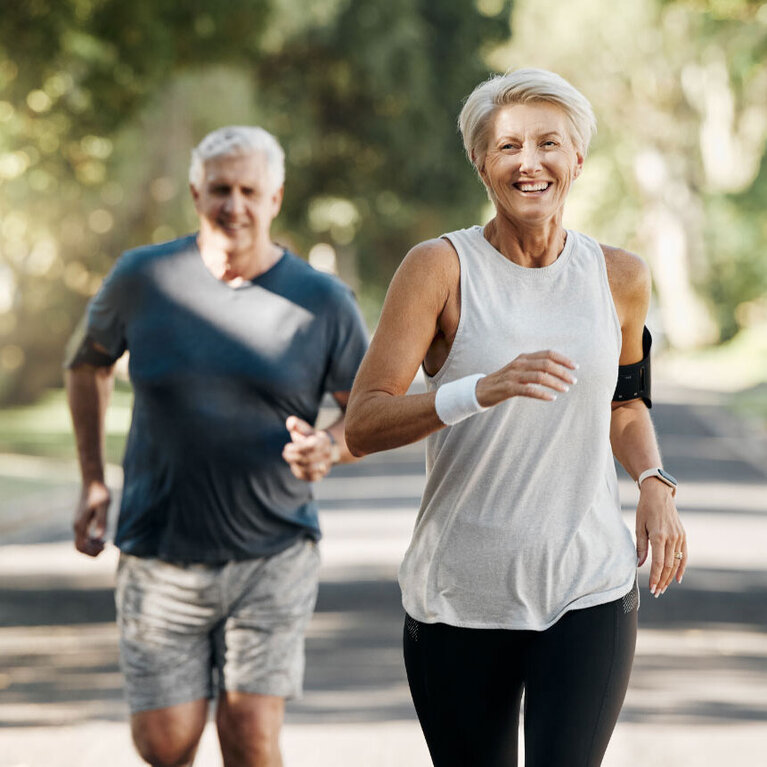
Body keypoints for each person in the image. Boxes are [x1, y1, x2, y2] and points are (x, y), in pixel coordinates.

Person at [345, 69, 687, 767]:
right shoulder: (437, 269)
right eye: (507, 147)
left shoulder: (619, 276)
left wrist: (652, 478)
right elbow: (362, 422)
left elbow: (624, 401)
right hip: (458, 594)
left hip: (587, 583)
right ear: (480, 163)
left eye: (547, 144)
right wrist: (477, 389)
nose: (528, 163)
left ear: (577, 160)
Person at [65, 125, 368, 767]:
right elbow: (87, 365)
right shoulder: (143, 278)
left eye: (250, 190)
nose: (236, 205)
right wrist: (94, 479)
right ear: (196, 194)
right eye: (221, 190)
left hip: (274, 550)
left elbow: (366, 414)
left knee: (251, 734)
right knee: (164, 743)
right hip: (160, 549)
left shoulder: (324, 302)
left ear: (276, 198)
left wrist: (330, 448)